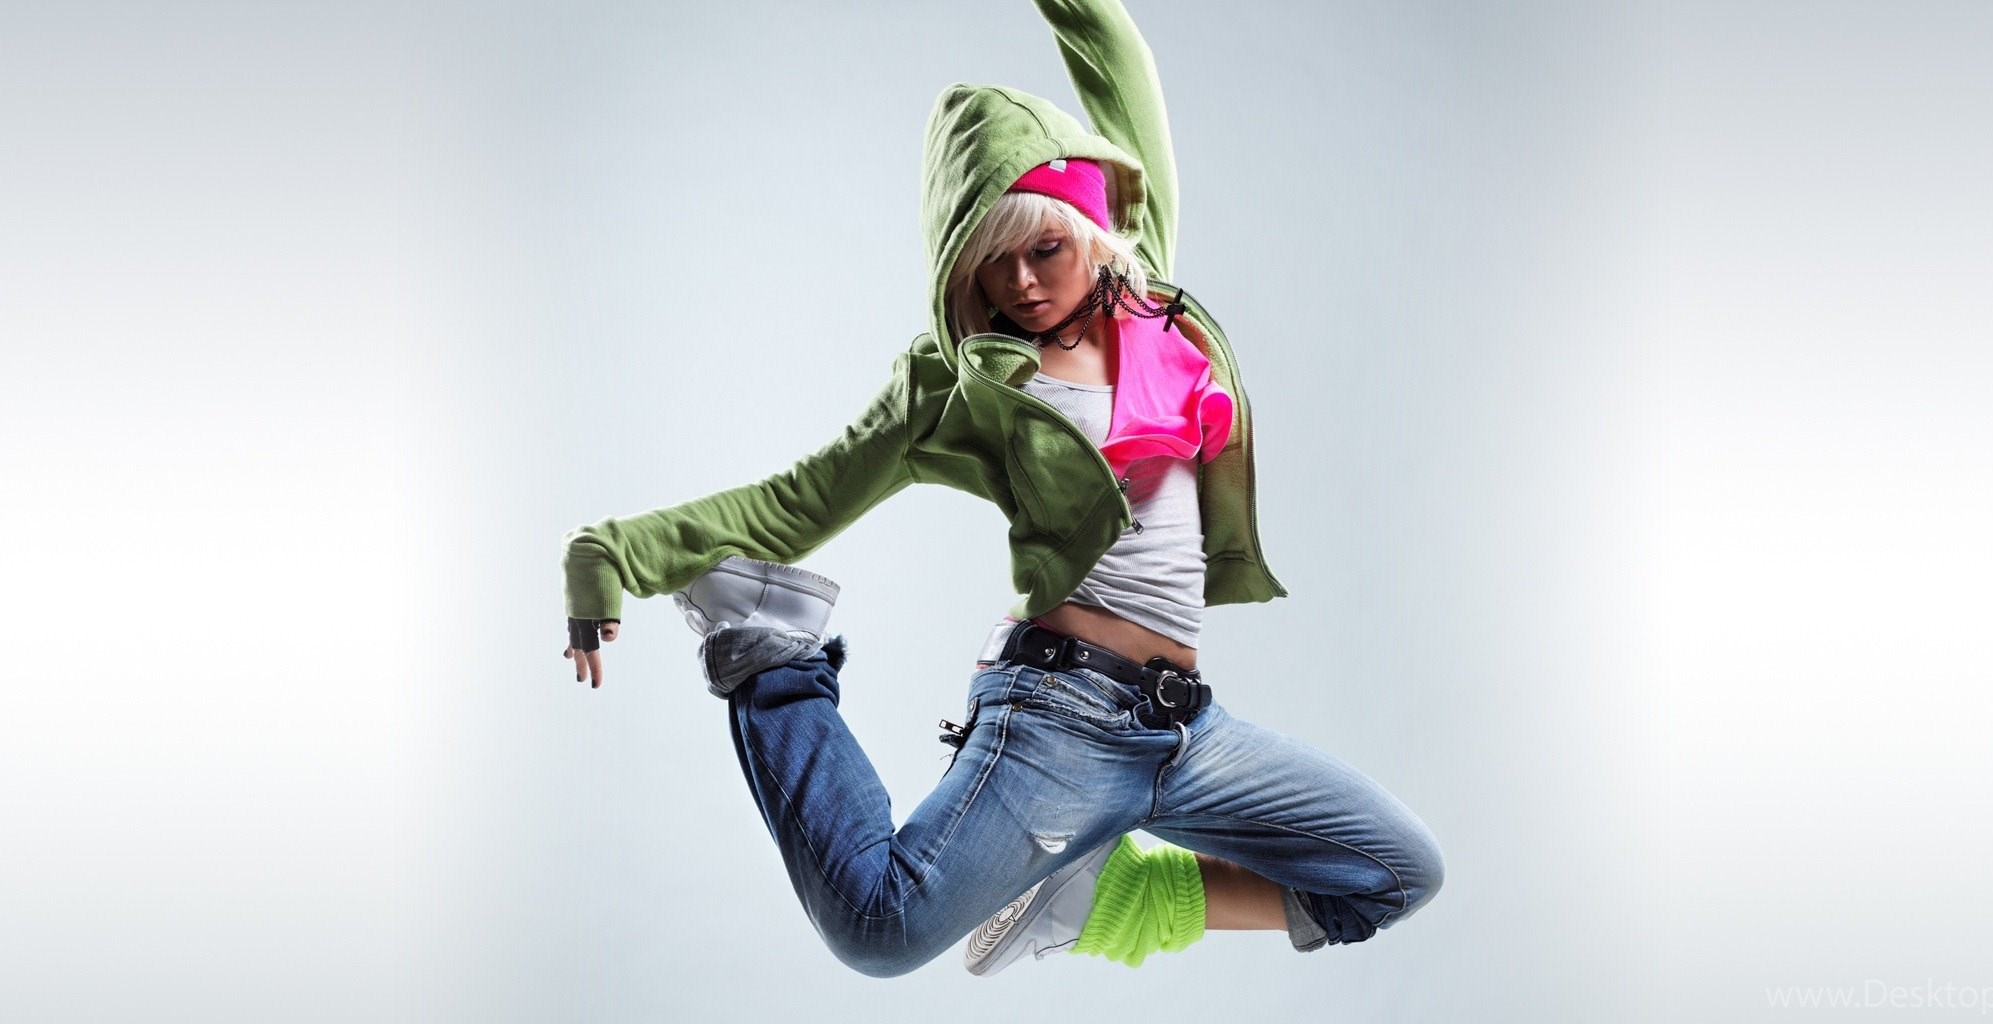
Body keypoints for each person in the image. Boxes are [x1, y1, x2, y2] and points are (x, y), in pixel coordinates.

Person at [560, 0, 1443, 979]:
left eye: (1044, 248)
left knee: (1395, 872)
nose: (1021, 281)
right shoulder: (952, 384)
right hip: (1059, 718)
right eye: (992, 260)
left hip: (1184, 729)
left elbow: (1115, 55)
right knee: (880, 930)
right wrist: (606, 557)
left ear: (1091, 230)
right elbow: (794, 501)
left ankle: (1126, 897)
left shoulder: (1151, 301)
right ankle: (771, 659)